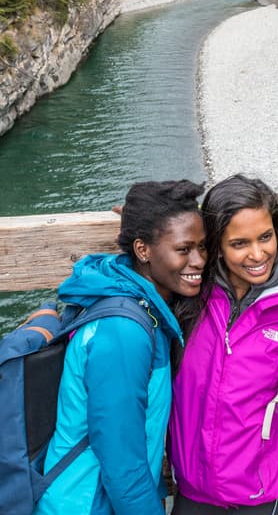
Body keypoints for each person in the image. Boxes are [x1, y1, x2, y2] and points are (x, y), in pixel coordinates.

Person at [34, 180, 207, 515]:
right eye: (184, 250)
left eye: (203, 246)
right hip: (86, 504)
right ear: (143, 251)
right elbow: (120, 461)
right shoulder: (124, 332)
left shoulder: (132, 297)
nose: (199, 260)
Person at [169, 174, 278, 514]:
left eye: (266, 237)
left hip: (266, 499)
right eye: (239, 243)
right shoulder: (187, 301)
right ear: (216, 246)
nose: (258, 254)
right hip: (192, 495)